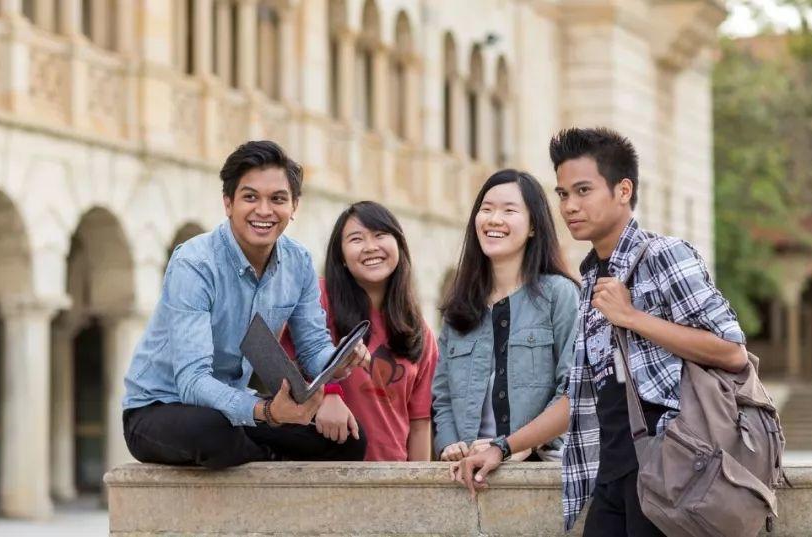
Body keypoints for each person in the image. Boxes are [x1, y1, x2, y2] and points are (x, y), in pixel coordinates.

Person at [452, 128, 750, 536]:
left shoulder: (663, 255)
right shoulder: (591, 277)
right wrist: (503, 447)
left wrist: (632, 317)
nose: (570, 206)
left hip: (669, 473)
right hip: (610, 476)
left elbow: (732, 350)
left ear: (623, 190)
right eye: (562, 194)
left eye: (583, 191)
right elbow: (579, 395)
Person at [121, 140, 370, 468]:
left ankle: (253, 453)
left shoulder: (298, 262)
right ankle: (264, 455)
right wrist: (266, 413)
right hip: (159, 408)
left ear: (294, 206)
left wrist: (340, 361)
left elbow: (313, 350)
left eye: (277, 199)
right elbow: (192, 381)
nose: (264, 211)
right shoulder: (195, 263)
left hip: (235, 409)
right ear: (228, 203)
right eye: (250, 197)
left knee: (347, 440)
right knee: (213, 431)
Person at [432, 169, 579, 463]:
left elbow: (574, 387)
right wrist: (449, 444)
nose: (494, 219)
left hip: (539, 467)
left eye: (509, 211)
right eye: (486, 209)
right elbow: (442, 394)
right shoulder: (461, 304)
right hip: (467, 471)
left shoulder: (559, 294)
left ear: (533, 226)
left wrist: (518, 445)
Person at [282, 201, 438, 461]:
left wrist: (416, 482)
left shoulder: (418, 330)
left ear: (399, 245)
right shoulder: (317, 299)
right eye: (356, 239)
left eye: (380, 235)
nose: (370, 247)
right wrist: (327, 393)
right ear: (341, 257)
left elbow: (419, 422)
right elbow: (281, 364)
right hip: (320, 467)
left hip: (391, 472)